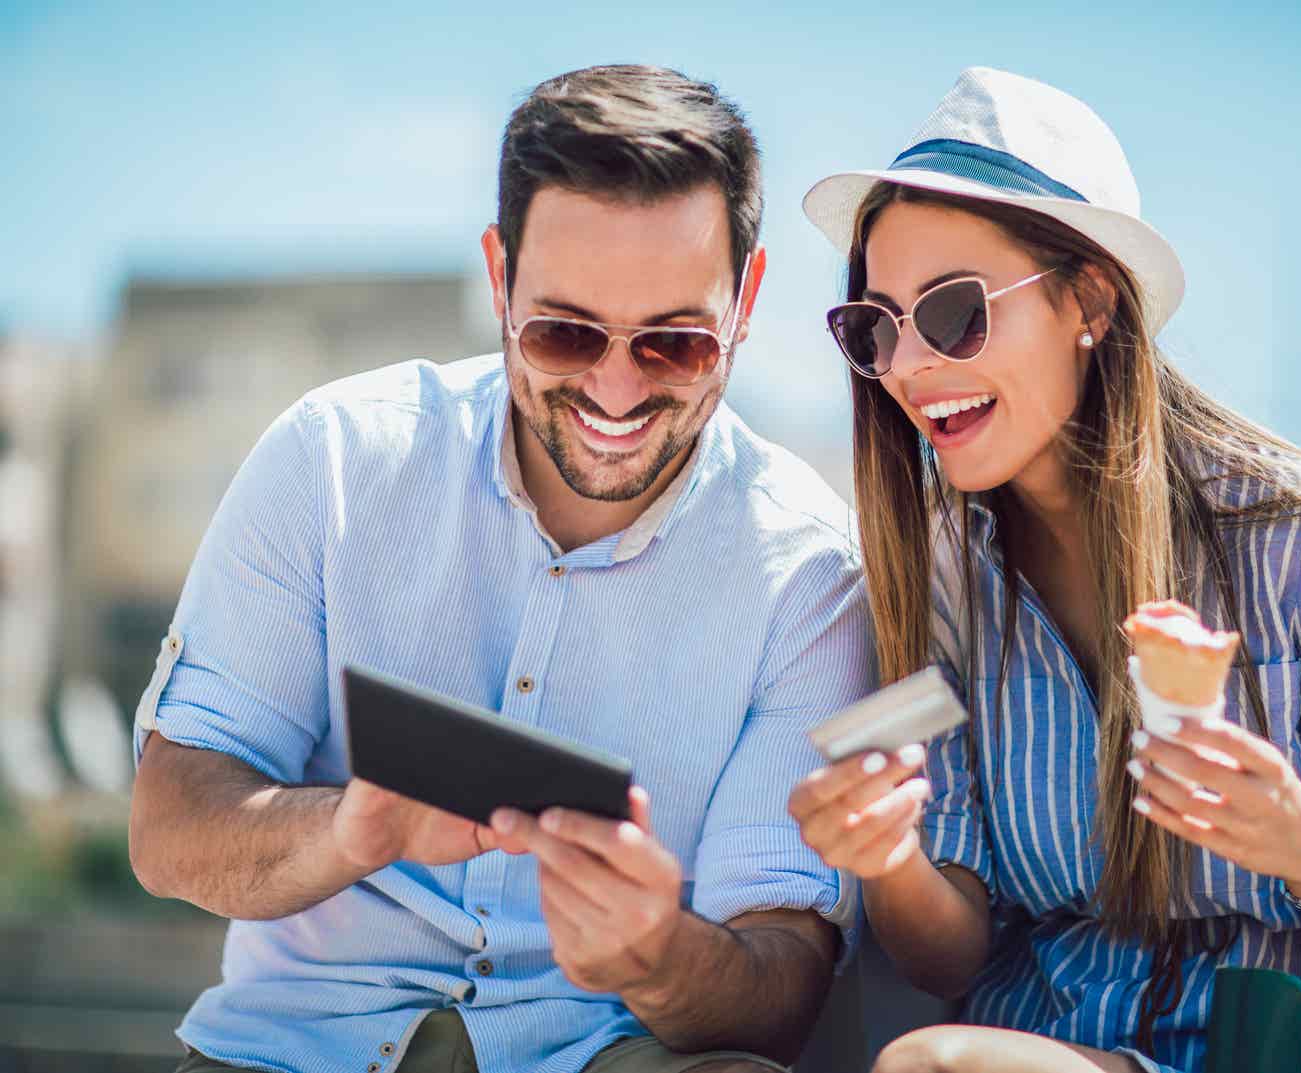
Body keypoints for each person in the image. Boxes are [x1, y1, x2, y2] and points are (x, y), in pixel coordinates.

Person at [128, 64, 874, 1073]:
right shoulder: (334, 457)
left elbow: (782, 981)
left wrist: (656, 954)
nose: (616, 388)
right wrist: (350, 830)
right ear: (498, 275)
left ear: (746, 300)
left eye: (676, 344)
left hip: (608, 1047)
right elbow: (169, 829)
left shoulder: (808, 568)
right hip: (301, 1046)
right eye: (564, 331)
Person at [788, 67, 1301, 1073]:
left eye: (954, 312)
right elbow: (947, 950)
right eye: (875, 328)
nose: (908, 367)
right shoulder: (937, 571)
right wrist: (889, 860)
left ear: (1088, 301)